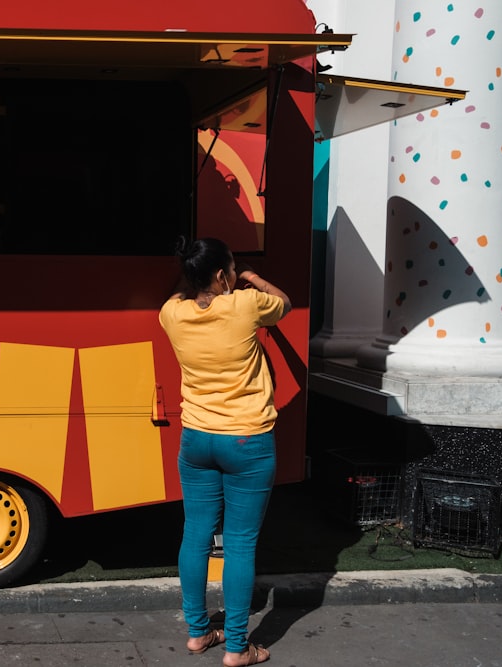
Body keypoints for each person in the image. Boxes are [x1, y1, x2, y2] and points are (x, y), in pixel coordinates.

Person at [158, 237, 291, 667]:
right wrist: (250, 276)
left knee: (194, 534)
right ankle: (237, 647)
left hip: (197, 439)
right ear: (222, 276)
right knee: (239, 544)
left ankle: (198, 634)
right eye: (231, 270)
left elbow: (183, 295)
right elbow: (284, 303)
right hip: (246, 441)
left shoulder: (171, 313)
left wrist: (207, 278)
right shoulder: (246, 304)